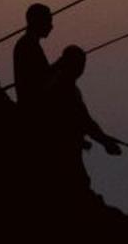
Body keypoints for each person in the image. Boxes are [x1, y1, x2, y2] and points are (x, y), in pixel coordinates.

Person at [43, 45, 120, 189]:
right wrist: (105, 142)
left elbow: (85, 121)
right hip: (62, 149)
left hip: (68, 146)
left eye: (82, 64)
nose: (81, 68)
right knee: (77, 183)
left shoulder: (64, 86)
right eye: (79, 64)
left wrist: (104, 139)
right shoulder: (63, 88)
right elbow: (85, 121)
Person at [12, 4, 55, 104]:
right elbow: (40, 79)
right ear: (38, 22)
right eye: (48, 21)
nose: (51, 26)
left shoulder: (28, 44)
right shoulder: (28, 45)